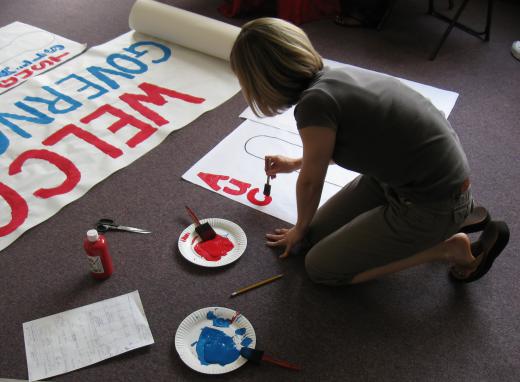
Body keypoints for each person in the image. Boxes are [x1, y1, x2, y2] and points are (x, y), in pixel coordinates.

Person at [229, 18, 510, 285]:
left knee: (320, 267)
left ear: (262, 81)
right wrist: (294, 163)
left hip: (432, 201)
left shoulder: (313, 104)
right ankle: (453, 218)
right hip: (405, 180)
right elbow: (349, 146)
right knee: (315, 235)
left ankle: (448, 247)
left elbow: (312, 182)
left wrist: (299, 227)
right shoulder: (334, 78)